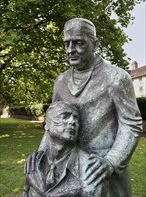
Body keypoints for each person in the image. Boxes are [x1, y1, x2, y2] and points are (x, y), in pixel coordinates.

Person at [26, 18, 142, 197]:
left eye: (78, 43)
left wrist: (111, 161)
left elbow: (131, 124)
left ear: (94, 44)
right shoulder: (61, 81)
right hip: (67, 168)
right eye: (67, 44)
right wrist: (41, 155)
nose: (70, 50)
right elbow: (52, 122)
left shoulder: (116, 78)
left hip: (101, 168)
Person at [23, 101, 109, 197]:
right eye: (65, 116)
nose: (72, 121)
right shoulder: (35, 163)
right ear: (47, 125)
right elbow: (26, 192)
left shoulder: (90, 169)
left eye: (76, 118)